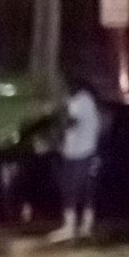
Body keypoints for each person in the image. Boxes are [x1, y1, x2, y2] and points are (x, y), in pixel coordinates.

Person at [57, 80, 103, 240]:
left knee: (73, 187)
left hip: (83, 152)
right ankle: (84, 225)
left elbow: (72, 122)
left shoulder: (84, 100)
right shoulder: (76, 100)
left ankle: (71, 227)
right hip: (73, 151)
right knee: (81, 189)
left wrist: (59, 121)